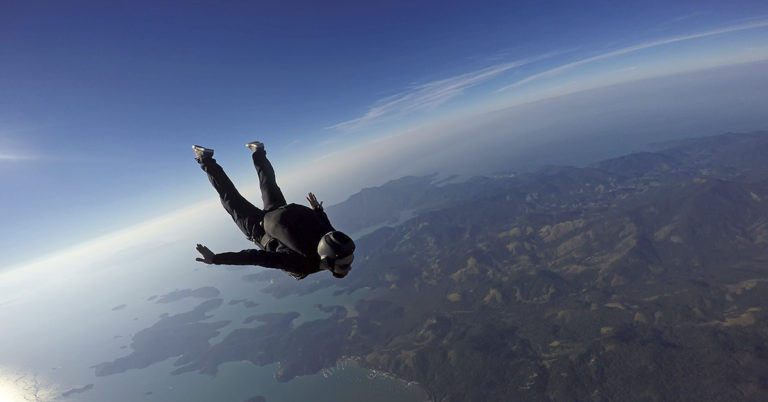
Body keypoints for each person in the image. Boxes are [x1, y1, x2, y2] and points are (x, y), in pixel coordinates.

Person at [192, 142, 355, 280]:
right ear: (326, 262)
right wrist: (215, 259)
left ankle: (258, 151)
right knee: (230, 198)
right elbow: (254, 257)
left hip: (280, 212)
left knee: (268, 183)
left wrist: (318, 211)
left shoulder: (331, 243)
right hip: (260, 230)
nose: (349, 268)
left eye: (347, 264)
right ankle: (204, 159)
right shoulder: (301, 264)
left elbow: (327, 227)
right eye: (346, 265)